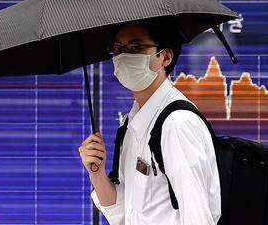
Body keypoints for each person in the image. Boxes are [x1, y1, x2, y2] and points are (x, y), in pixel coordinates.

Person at [77, 16, 221, 225]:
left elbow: (198, 217)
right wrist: (96, 173)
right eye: (118, 48)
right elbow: (124, 212)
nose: (124, 56)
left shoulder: (177, 124)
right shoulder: (131, 123)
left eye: (136, 47)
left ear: (165, 57)